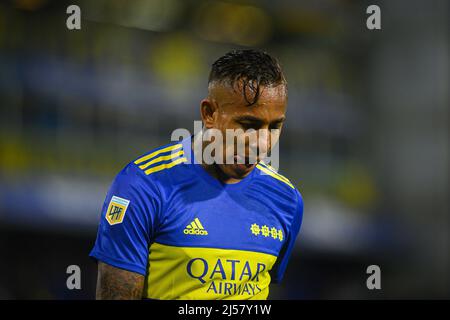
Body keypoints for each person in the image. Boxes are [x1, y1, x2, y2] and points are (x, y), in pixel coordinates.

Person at [90, 49, 304, 299]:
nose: (264, 143)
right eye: (248, 125)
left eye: (275, 126)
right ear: (209, 114)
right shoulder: (142, 187)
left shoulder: (286, 200)